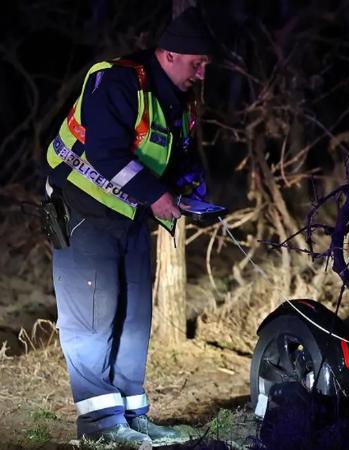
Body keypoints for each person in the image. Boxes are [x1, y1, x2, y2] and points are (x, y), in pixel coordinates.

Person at [42, 7, 213, 447]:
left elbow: (176, 156)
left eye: (206, 63)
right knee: (94, 317)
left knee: (135, 317)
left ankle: (133, 416)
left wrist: (189, 189)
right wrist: (158, 196)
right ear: (170, 55)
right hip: (84, 211)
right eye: (197, 62)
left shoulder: (176, 98)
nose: (202, 71)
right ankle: (99, 427)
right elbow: (105, 152)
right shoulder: (120, 81)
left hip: (131, 215)